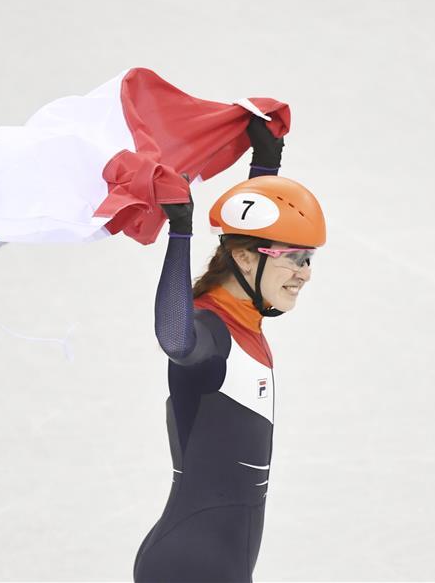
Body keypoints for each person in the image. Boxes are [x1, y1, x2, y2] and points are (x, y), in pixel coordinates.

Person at [133, 117, 327, 582]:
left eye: (309, 258)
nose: (305, 273)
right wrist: (180, 232)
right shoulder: (207, 331)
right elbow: (173, 339)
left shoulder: (243, 315)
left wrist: (265, 160)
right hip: (187, 565)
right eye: (295, 258)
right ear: (242, 259)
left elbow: (250, 238)